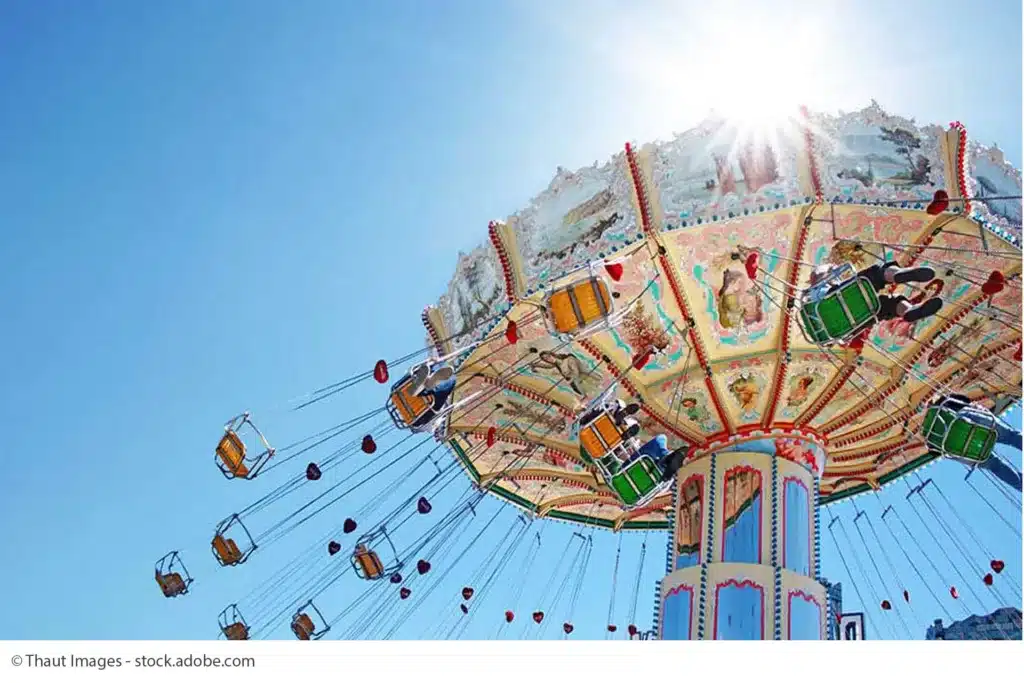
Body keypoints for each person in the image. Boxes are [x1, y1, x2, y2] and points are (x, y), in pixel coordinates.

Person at [933, 393, 1022, 491]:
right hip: (966, 421)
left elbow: (935, 450)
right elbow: (964, 400)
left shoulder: (933, 425)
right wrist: (976, 407)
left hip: (959, 448)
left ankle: (1020, 484)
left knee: (994, 465)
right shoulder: (946, 403)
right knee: (1011, 436)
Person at [808, 261, 943, 325]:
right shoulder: (817, 290)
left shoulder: (813, 305)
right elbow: (817, 273)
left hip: (847, 323)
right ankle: (895, 275)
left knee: (887, 304)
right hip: (845, 304)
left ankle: (909, 311)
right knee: (877, 275)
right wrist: (831, 266)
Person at [407, 363, 457, 430]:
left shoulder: (426, 426)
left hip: (421, 412)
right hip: (418, 407)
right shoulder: (425, 427)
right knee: (448, 383)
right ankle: (427, 384)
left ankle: (427, 385)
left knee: (450, 383)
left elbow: (436, 419)